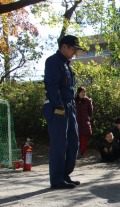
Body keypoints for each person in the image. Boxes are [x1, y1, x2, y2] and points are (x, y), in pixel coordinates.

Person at [41, 35, 85, 189]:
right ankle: (57, 179)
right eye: (73, 48)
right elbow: (51, 85)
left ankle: (65, 174)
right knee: (59, 143)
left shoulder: (67, 64)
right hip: (58, 107)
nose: (75, 52)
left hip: (69, 106)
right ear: (64, 46)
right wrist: (58, 106)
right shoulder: (53, 61)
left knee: (73, 142)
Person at [74, 86, 93, 157]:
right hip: (76, 121)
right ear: (78, 92)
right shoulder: (74, 100)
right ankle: (75, 151)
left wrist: (91, 104)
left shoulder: (88, 101)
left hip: (85, 121)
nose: (83, 93)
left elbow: (90, 112)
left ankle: (82, 152)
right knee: (76, 137)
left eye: (84, 92)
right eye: (82, 92)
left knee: (84, 137)